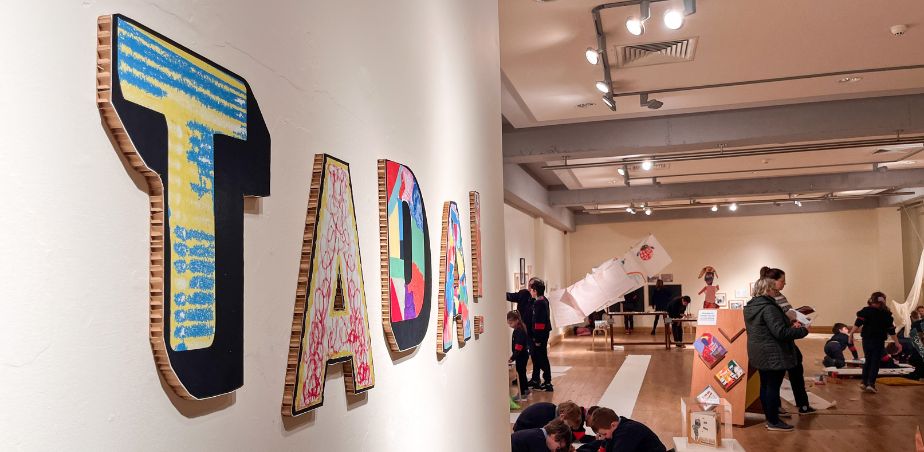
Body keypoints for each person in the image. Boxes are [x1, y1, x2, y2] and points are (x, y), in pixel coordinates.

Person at [744, 274, 808, 432]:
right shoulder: (769, 307)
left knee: (765, 385)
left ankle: (770, 418)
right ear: (767, 290)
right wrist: (802, 331)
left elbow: (769, 329)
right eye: (774, 289)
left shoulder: (751, 306)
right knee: (772, 387)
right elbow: (780, 333)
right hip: (773, 353)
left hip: (759, 352)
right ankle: (773, 421)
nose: (776, 292)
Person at [761, 267, 814, 415]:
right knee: (774, 379)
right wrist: (793, 323)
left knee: (795, 368)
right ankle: (775, 410)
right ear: (773, 282)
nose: (785, 284)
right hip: (778, 341)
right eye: (782, 281)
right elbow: (776, 322)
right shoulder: (766, 299)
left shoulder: (779, 296)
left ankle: (801, 405)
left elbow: (787, 313)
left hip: (785, 338)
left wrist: (796, 319)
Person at [849, 291, 901, 393]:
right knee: (875, 361)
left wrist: (851, 334)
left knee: (868, 359)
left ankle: (864, 382)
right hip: (878, 340)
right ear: (883, 301)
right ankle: (871, 384)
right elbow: (891, 330)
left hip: (867, 339)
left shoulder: (866, 311)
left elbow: (858, 323)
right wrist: (897, 342)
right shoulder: (886, 314)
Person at [587, 407, 666, 452]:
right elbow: (607, 445)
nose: (605, 437)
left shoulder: (626, 432)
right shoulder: (618, 424)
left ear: (613, 425)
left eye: (604, 434)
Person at [513, 401, 594, 442]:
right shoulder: (547, 416)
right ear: (563, 416)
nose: (568, 427)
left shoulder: (552, 411)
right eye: (569, 425)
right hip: (521, 434)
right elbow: (544, 437)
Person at [528, 278, 554, 392]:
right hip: (543, 334)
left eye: (531, 289)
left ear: (535, 290)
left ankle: (547, 381)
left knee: (541, 357)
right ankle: (536, 380)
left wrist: (537, 339)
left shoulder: (539, 302)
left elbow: (539, 323)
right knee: (537, 357)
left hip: (540, 336)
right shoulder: (543, 300)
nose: (530, 291)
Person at [508, 310, 531, 399]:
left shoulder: (519, 331)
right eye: (508, 323)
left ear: (517, 320)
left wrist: (513, 357)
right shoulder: (518, 329)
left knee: (521, 374)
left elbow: (518, 346)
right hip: (522, 355)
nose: (510, 325)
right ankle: (525, 390)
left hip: (521, 356)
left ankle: (522, 393)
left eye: (511, 322)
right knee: (522, 373)